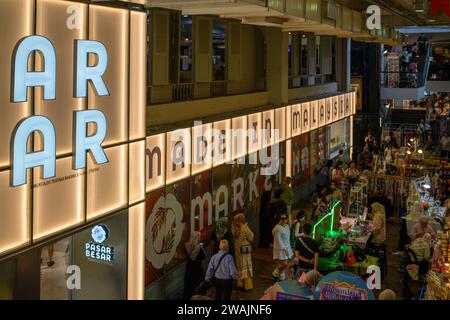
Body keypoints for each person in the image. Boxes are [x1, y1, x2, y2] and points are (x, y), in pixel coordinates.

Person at [231, 213, 254, 291]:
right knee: (246, 266)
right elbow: (251, 237)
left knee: (239, 265)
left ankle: (239, 283)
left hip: (237, 249)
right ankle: (246, 285)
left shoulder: (233, 227)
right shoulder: (244, 228)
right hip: (245, 249)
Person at [184, 232, 207, 299]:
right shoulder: (199, 247)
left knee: (189, 283)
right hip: (198, 268)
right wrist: (201, 246)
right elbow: (204, 256)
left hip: (190, 267)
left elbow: (186, 255)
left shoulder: (186, 245)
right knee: (197, 284)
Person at [272, 213, 293, 281]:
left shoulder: (286, 226)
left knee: (282, 263)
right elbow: (278, 240)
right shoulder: (277, 228)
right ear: (282, 220)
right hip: (281, 249)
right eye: (286, 220)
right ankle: (275, 273)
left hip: (286, 247)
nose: (287, 221)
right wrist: (285, 249)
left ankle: (281, 277)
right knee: (284, 263)